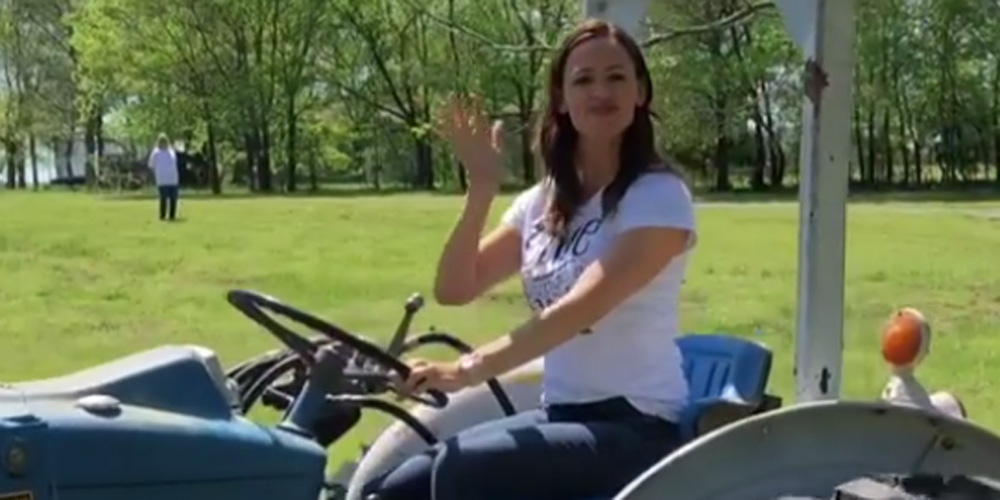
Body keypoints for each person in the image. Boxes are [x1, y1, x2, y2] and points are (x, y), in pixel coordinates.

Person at [363, 19, 698, 500]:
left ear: (640, 92)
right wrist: (480, 190)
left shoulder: (659, 197)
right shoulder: (543, 203)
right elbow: (456, 288)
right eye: (583, 79)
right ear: (561, 98)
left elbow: (577, 312)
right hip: (562, 413)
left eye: (616, 77)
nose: (600, 91)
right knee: (398, 487)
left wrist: (463, 371)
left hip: (639, 427)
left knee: (468, 473)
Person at [147, 133, 180, 221]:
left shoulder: (171, 151)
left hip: (173, 179)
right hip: (162, 180)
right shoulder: (156, 153)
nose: (163, 143)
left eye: (165, 141)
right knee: (163, 199)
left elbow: (174, 163)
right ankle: (162, 216)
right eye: (161, 141)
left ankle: (172, 216)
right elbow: (151, 165)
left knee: (173, 199)